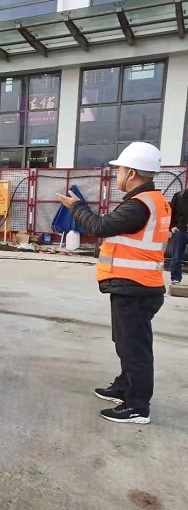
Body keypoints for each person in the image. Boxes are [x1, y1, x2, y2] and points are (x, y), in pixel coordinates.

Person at [58, 142, 170, 425]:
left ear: (131, 173)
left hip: (136, 287)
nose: (116, 174)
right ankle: (124, 386)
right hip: (135, 285)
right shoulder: (152, 200)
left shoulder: (139, 205)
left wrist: (76, 207)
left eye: (119, 170)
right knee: (125, 341)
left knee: (134, 348)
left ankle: (137, 406)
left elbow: (100, 227)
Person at [168, 188, 188, 284]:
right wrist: (172, 227)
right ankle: (175, 278)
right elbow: (170, 212)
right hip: (180, 231)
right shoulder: (179, 196)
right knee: (176, 256)